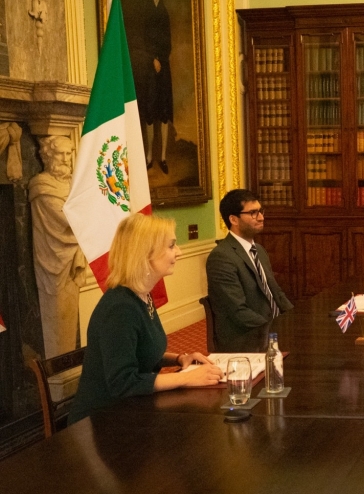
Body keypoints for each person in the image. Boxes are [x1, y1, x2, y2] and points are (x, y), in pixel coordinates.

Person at [68, 214, 222, 424]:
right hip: (103, 421)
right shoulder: (120, 308)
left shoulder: (142, 296)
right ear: (144, 253)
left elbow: (139, 351)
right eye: (171, 246)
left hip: (132, 409)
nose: (179, 252)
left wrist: (179, 359)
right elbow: (123, 382)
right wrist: (186, 378)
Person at [206, 189, 293, 352]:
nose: (261, 217)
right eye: (253, 213)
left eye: (260, 211)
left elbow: (276, 293)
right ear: (233, 219)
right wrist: (276, 330)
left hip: (270, 329)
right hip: (247, 339)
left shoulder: (259, 250)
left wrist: (295, 319)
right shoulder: (221, 257)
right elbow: (239, 312)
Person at [29, 136, 87, 358]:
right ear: (47, 157)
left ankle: (66, 372)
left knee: (68, 316)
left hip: (71, 259)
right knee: (57, 320)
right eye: (60, 154)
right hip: (52, 262)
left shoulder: (71, 183)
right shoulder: (41, 186)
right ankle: (57, 376)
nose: (65, 158)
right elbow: (69, 220)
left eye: (68, 153)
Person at [137, 0, 174, 174]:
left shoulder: (165, 11)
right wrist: (152, 59)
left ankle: (163, 157)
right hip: (150, 67)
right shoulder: (145, 9)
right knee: (150, 111)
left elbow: (168, 40)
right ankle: (149, 155)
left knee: (165, 110)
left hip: (164, 65)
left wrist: (161, 59)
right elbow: (143, 37)